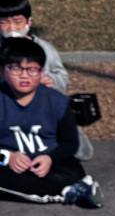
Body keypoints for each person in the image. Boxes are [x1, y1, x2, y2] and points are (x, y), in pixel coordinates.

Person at [0, 36, 103, 207]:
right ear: (2, 71)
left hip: (47, 162)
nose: (24, 75)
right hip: (9, 164)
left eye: (32, 69)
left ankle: (52, 191)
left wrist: (49, 158)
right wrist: (8, 158)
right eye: (16, 69)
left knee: (73, 172)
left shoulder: (57, 101)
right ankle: (65, 193)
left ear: (42, 72)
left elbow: (70, 142)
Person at [0, 0, 93, 160]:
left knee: (68, 147)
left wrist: (53, 81)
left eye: (17, 21)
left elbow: (62, 75)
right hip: (8, 111)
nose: (11, 28)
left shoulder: (44, 49)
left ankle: (69, 147)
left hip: (41, 107)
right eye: (3, 22)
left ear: (29, 23)